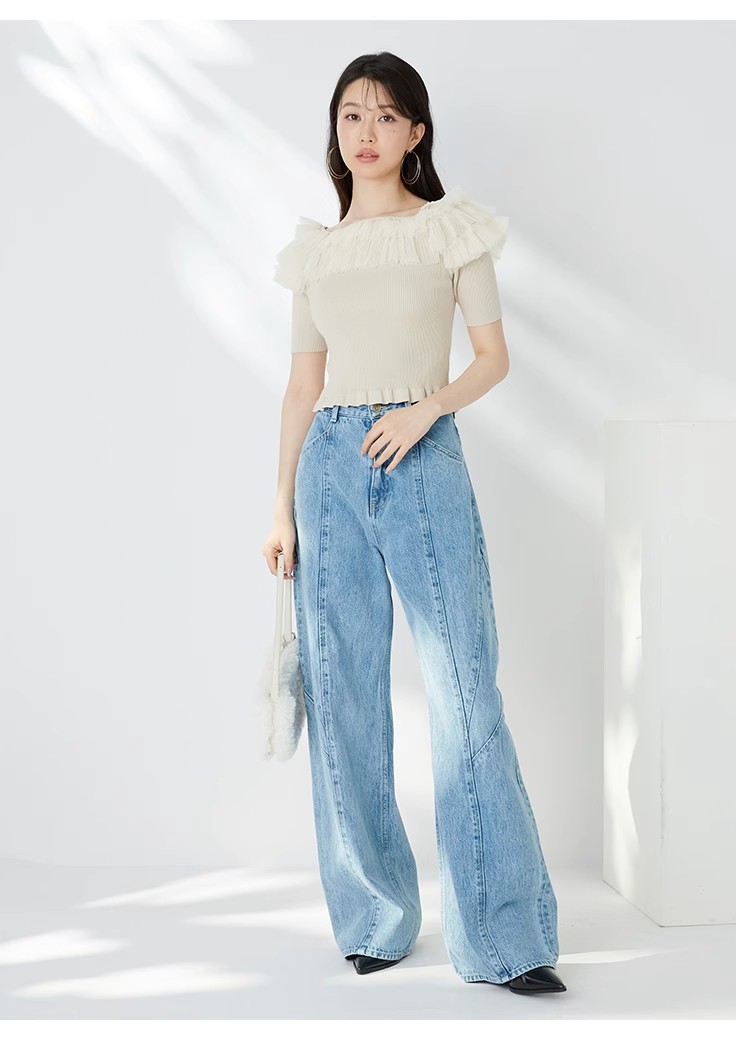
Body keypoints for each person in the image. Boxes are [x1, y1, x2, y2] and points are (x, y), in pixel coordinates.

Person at [262, 52, 567, 996]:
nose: (367, 131)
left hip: (421, 458)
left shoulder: (449, 230)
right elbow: (303, 386)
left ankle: (507, 938)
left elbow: (492, 358)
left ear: (416, 133)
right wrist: (279, 507)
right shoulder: (316, 252)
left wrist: (425, 410)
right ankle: (373, 919)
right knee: (342, 695)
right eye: (352, 114)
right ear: (336, 129)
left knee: (465, 689)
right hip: (328, 473)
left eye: (387, 116)